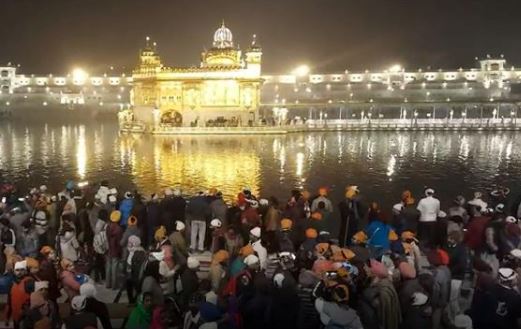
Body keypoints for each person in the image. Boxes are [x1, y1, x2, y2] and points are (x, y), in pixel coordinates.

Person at [6, 260, 34, 329]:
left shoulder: (29, 282)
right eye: (17, 270)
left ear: (25, 271)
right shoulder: (12, 284)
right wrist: (7, 317)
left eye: (22, 270)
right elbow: (9, 302)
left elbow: (34, 301)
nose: (19, 272)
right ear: (14, 271)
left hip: (27, 317)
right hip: (16, 317)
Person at [125, 235, 147, 304]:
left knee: (136, 289)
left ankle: (134, 302)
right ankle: (132, 301)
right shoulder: (132, 250)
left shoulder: (139, 252)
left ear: (134, 243)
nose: (128, 244)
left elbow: (138, 266)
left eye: (130, 242)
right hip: (132, 274)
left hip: (135, 275)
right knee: (130, 288)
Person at [106, 210, 123, 289]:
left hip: (109, 248)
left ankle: (108, 284)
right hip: (115, 250)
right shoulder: (119, 229)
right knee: (114, 269)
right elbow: (119, 242)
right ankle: (114, 285)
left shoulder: (108, 227)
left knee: (108, 267)